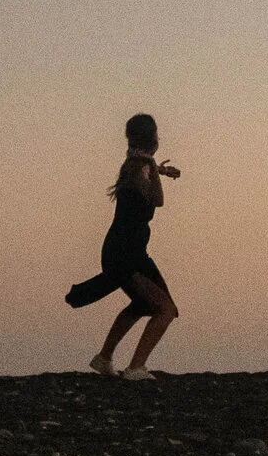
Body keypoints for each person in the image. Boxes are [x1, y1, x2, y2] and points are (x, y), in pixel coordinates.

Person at [64, 113, 181, 380]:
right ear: (151, 138)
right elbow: (156, 199)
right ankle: (136, 367)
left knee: (143, 305)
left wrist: (158, 169)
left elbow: (143, 180)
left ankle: (104, 359)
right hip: (127, 253)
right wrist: (155, 170)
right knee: (165, 310)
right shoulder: (137, 166)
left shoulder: (137, 164)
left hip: (129, 249)